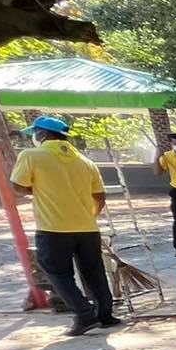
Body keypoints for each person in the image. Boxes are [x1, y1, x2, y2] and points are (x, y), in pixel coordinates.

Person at [8, 114, 118, 336]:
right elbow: (100, 196)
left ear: (43, 134)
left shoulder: (32, 156)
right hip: (87, 228)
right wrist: (89, 217)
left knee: (57, 272)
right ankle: (105, 314)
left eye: (36, 133)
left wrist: (38, 189)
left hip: (53, 227)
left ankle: (85, 315)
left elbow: (18, 185)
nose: (35, 137)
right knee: (94, 272)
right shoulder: (86, 162)